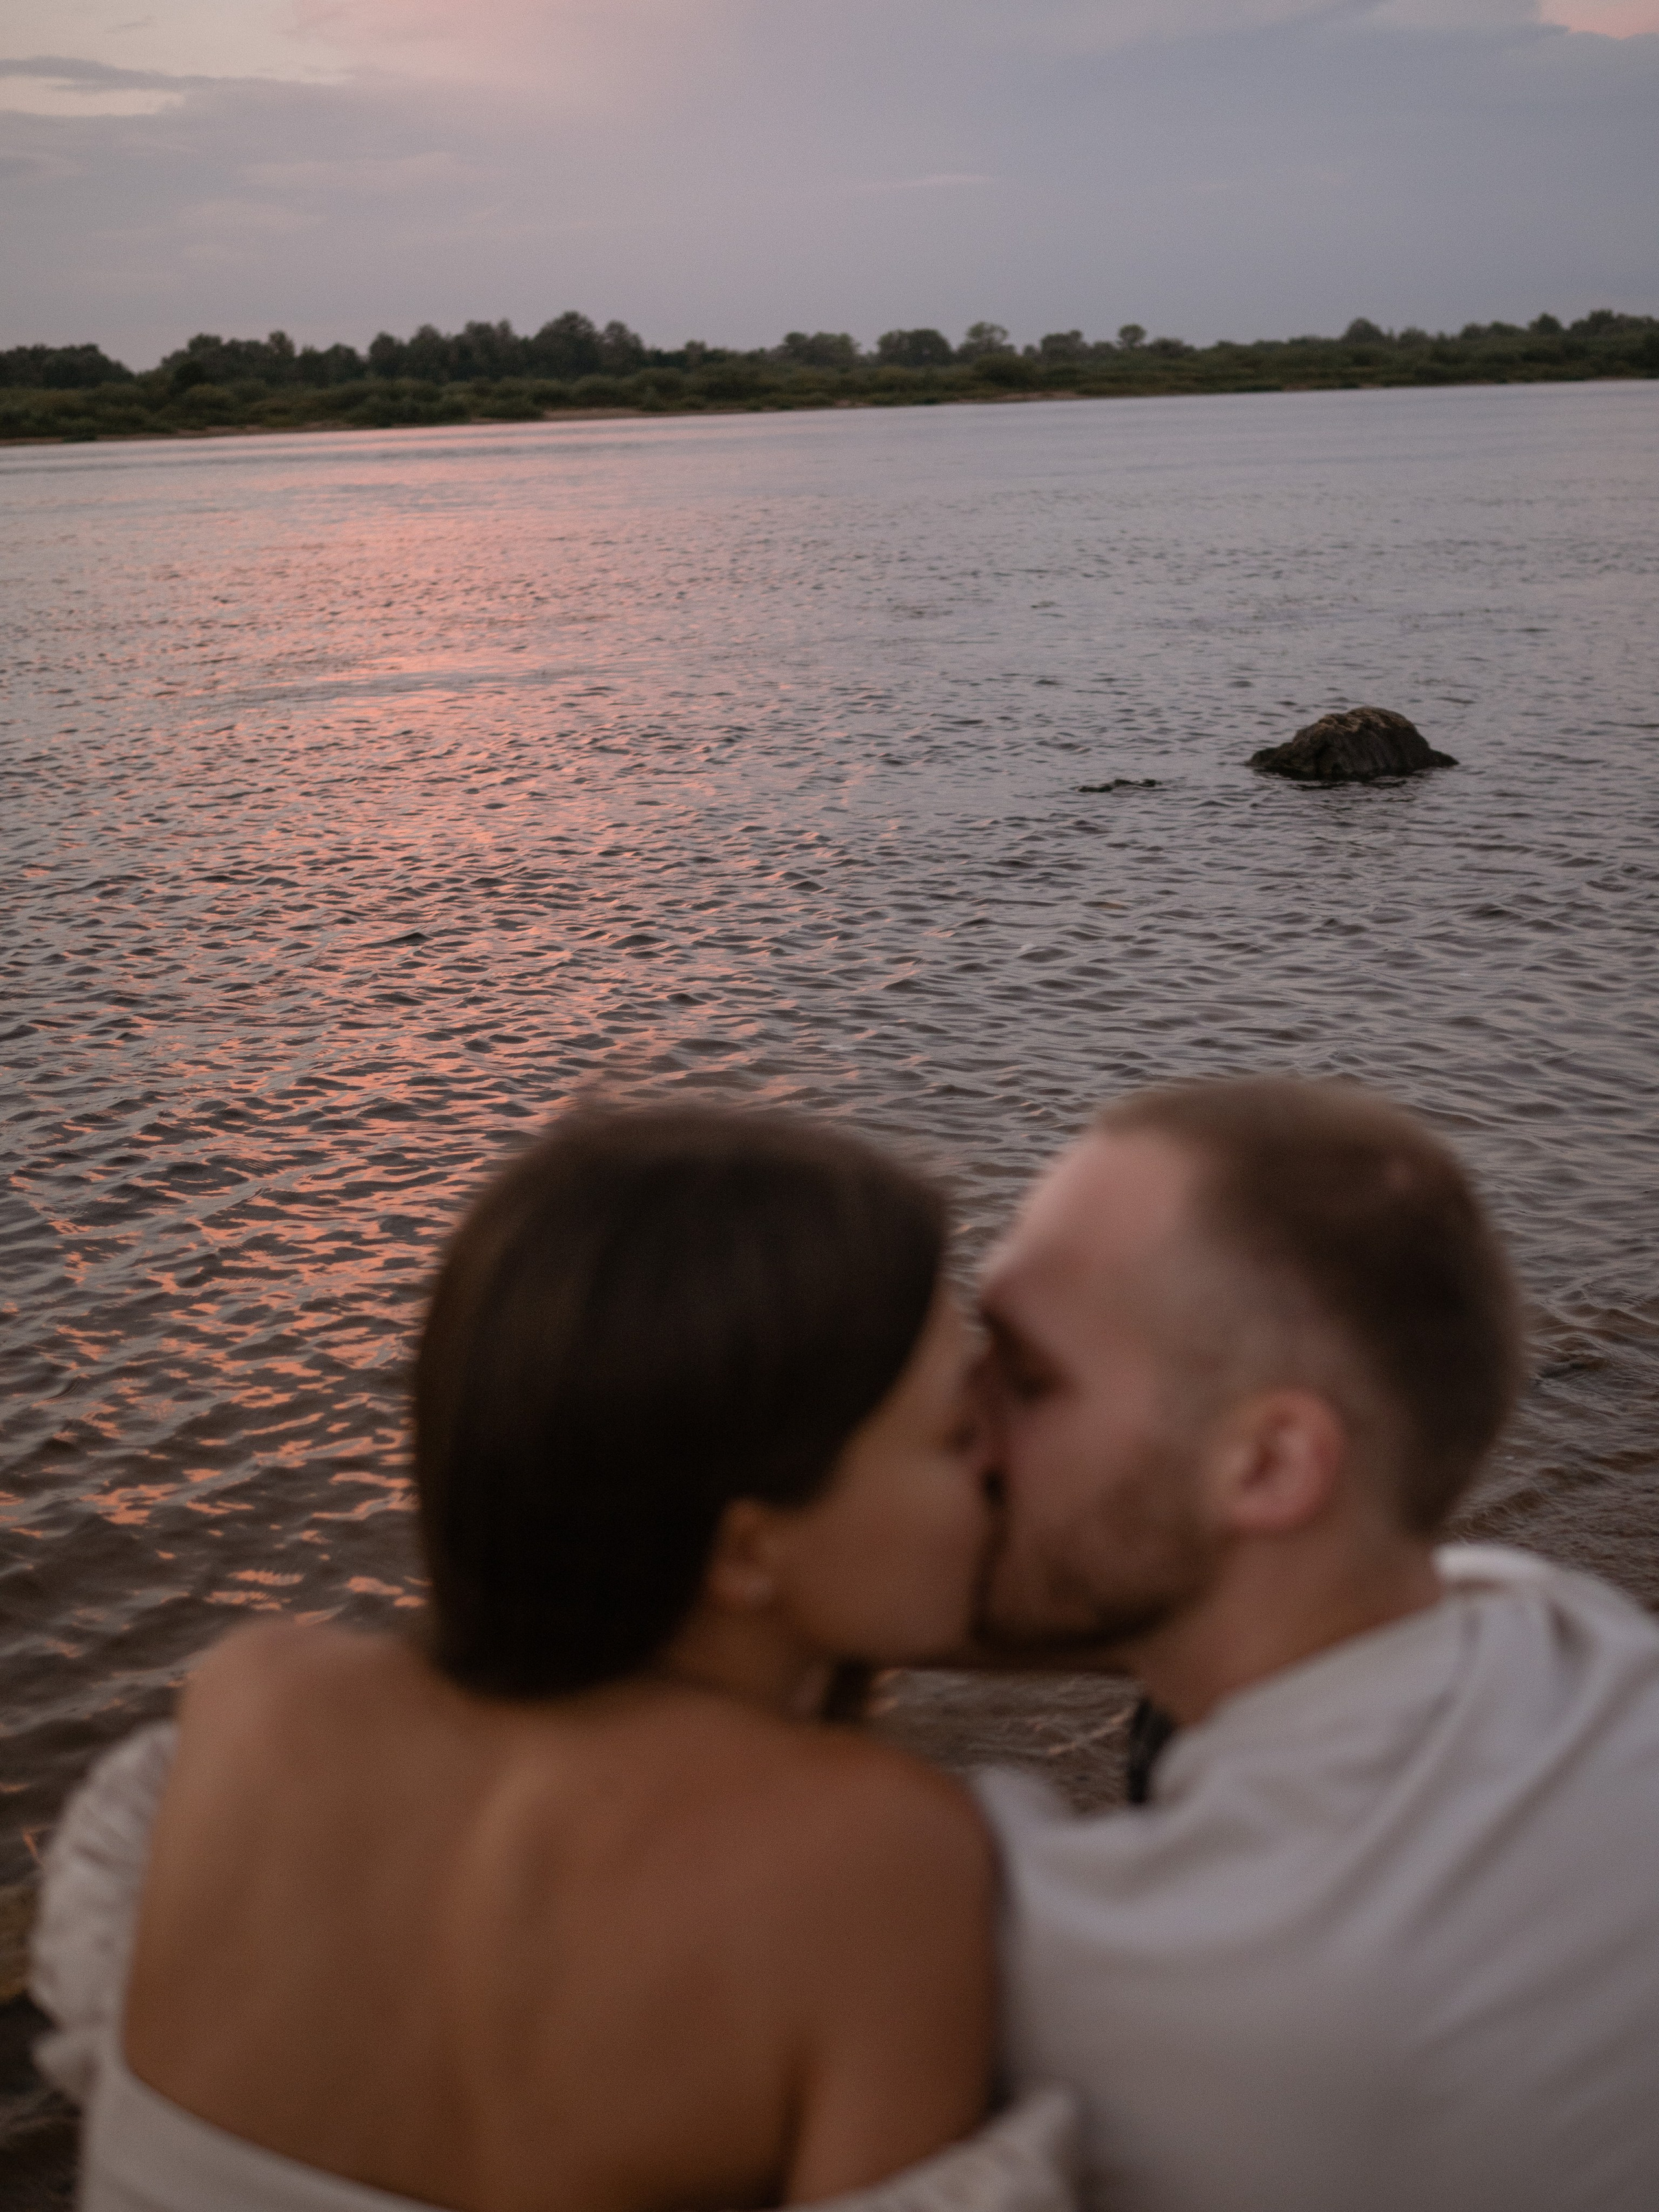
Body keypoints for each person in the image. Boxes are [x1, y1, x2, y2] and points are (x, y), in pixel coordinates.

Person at [32, 1106, 1077, 2212]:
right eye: (955, 1438)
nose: (1004, 1465)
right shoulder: (880, 1854)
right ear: (746, 1546)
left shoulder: (255, 1706)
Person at [974, 1075, 1659, 2212]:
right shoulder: (1572, 1642)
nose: (959, 1417)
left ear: (1269, 1465)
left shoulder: (1118, 1965)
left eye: (1027, 1377)